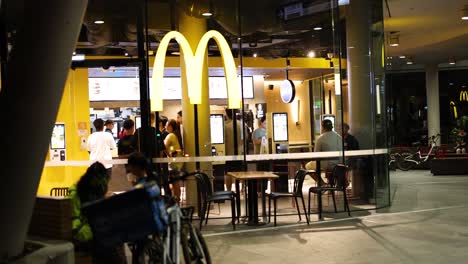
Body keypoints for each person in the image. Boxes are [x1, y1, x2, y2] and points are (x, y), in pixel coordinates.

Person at [68, 162, 126, 263]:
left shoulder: (90, 189)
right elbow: (75, 223)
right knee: (110, 248)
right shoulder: (76, 195)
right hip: (82, 233)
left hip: (92, 231)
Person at [164, 119, 184, 202]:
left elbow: (163, 146)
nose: (165, 127)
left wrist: (168, 155)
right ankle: (177, 199)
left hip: (174, 164)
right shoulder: (176, 135)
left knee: (174, 183)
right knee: (176, 183)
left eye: (167, 125)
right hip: (178, 163)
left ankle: (176, 200)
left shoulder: (170, 135)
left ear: (170, 126)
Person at [224, 109, 243, 191]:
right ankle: (238, 190)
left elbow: (224, 140)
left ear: (227, 115)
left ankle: (228, 190)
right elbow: (244, 138)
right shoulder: (241, 124)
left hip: (228, 152)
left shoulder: (225, 126)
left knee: (228, 173)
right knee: (239, 173)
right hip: (240, 152)